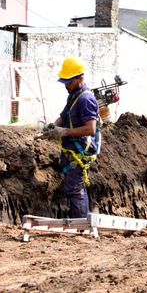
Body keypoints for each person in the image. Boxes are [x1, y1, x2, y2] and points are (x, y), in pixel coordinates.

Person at [42, 56, 101, 218]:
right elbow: (64, 115)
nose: (66, 85)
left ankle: (81, 225)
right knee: (72, 187)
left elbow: (90, 129)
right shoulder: (74, 94)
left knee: (75, 189)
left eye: (69, 81)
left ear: (80, 78)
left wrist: (64, 132)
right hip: (71, 149)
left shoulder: (86, 100)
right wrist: (53, 126)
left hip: (79, 151)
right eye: (65, 82)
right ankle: (81, 221)